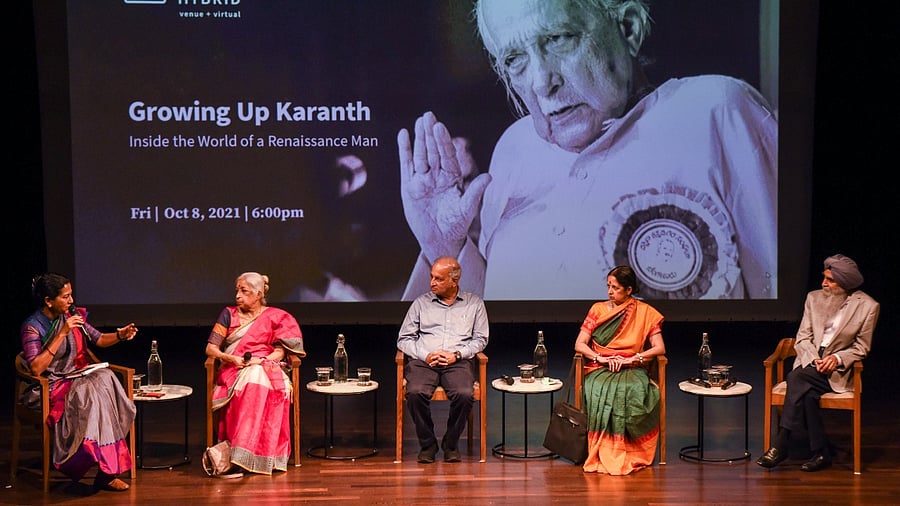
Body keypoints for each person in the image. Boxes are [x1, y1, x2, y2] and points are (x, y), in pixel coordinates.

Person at [398, 0, 777, 301]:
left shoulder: (717, 111)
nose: (542, 81)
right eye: (515, 60)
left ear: (627, 28)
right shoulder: (513, 150)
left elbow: (778, 306)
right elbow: (486, 331)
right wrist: (444, 246)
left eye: (560, 38)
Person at [757, 254, 879, 472]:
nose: (824, 283)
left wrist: (836, 359)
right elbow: (802, 337)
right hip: (809, 360)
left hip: (837, 372)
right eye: (824, 278)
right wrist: (815, 359)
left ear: (845, 283)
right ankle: (820, 453)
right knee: (807, 392)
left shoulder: (868, 306)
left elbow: (861, 347)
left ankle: (782, 442)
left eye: (830, 280)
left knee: (796, 378)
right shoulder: (813, 298)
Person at [19, 273, 139, 492]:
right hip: (49, 386)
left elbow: (99, 339)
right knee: (91, 393)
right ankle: (84, 460)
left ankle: (107, 470)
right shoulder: (32, 327)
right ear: (48, 300)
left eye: (71, 295)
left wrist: (120, 335)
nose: (71, 301)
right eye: (65, 297)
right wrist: (62, 333)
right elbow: (36, 367)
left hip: (75, 379)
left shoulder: (72, 316)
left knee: (106, 379)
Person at [206, 272, 306, 475]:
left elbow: (281, 350)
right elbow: (211, 349)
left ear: (258, 293)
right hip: (234, 368)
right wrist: (231, 359)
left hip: (267, 366)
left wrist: (267, 361)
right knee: (254, 380)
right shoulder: (228, 314)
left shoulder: (277, 317)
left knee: (264, 380)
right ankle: (241, 453)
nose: (238, 296)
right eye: (237, 290)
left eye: (244, 291)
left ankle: (255, 455)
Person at [573, 265, 665, 475]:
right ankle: (601, 451)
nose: (610, 292)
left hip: (632, 366)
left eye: (615, 288)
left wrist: (633, 358)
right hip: (599, 366)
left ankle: (630, 450)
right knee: (599, 390)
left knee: (632, 390)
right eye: (608, 286)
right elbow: (580, 344)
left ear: (629, 290)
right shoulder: (597, 309)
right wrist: (601, 358)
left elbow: (660, 347)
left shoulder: (645, 312)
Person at [397, 256, 489, 463]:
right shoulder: (421, 303)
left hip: (457, 361)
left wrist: (456, 355)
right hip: (424, 361)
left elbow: (480, 339)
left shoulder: (474, 304)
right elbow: (403, 339)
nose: (431, 283)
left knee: (465, 394)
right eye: (431, 277)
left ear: (453, 281)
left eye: (438, 279)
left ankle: (451, 443)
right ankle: (428, 444)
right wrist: (425, 354)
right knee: (415, 392)